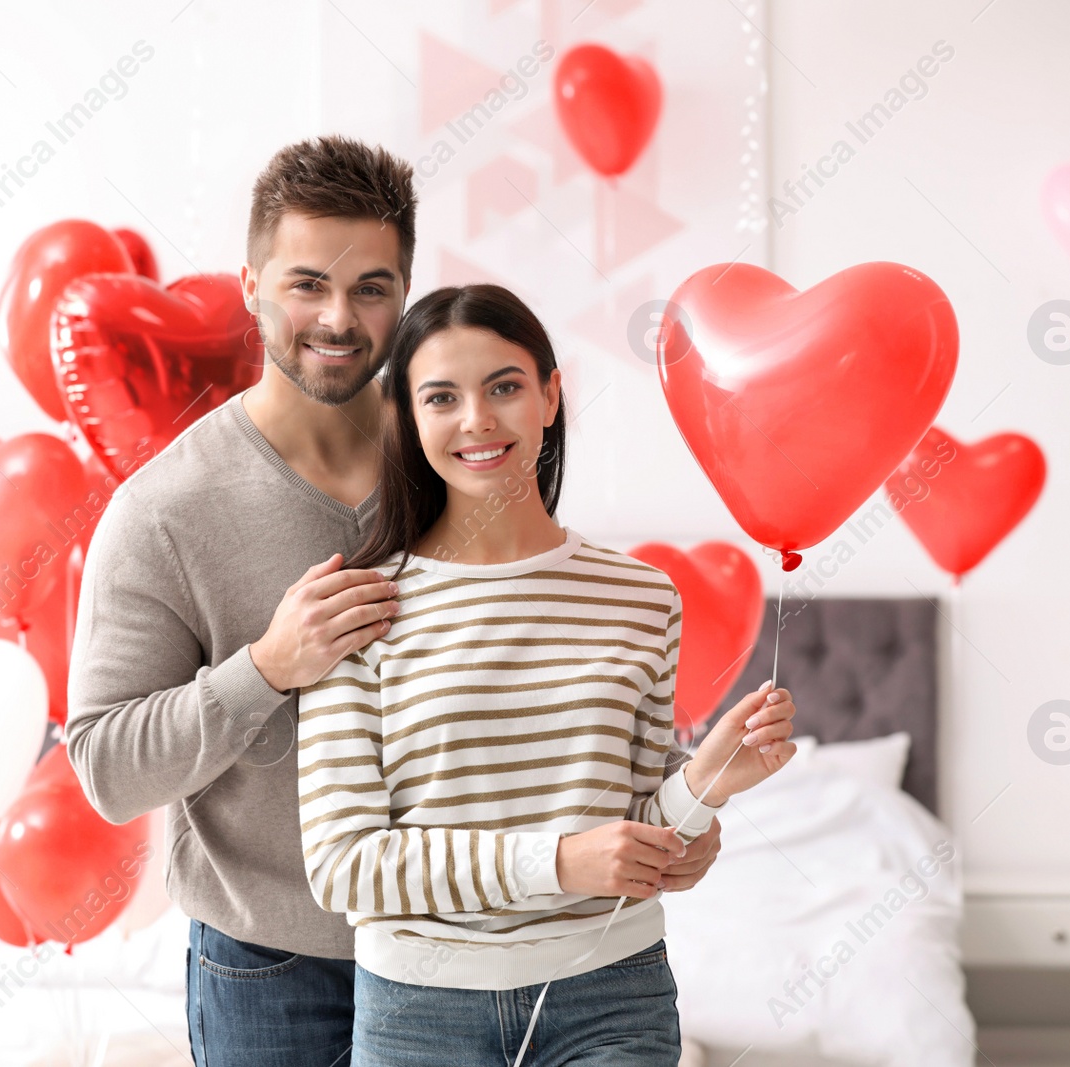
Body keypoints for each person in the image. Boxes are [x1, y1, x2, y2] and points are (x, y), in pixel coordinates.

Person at [66, 136, 729, 1067]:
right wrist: (267, 669)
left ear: (404, 291)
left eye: (372, 287)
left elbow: (547, 698)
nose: (339, 317)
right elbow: (106, 769)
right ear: (250, 285)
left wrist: (677, 822)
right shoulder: (164, 511)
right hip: (274, 969)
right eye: (306, 284)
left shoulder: (465, 447)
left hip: (484, 950)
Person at [296, 283, 798, 1067]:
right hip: (418, 1013)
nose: (478, 420)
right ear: (406, 417)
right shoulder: (360, 607)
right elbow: (343, 865)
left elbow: (635, 828)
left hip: (610, 996)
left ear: (551, 394)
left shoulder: (640, 596)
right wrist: (559, 862)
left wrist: (705, 786)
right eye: (441, 396)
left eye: (504, 386)